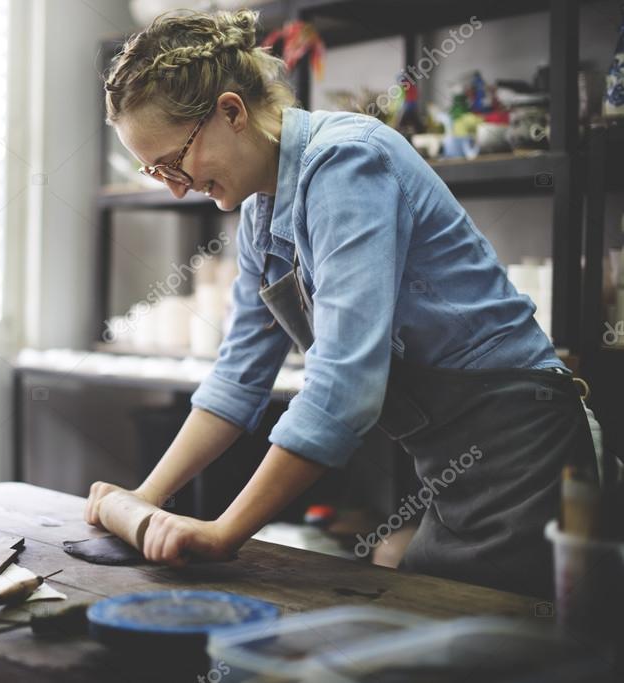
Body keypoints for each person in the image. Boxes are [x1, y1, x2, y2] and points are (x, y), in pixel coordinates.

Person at [84, 9, 596, 598]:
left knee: (483, 642)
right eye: (155, 171)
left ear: (231, 111)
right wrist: (144, 497)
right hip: (452, 468)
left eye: (175, 161)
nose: (174, 186)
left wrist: (226, 532)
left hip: (522, 451)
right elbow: (237, 380)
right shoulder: (260, 213)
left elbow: (345, 382)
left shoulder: (348, 161)